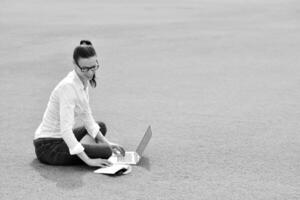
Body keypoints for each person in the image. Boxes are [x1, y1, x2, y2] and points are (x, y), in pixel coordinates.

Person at [33, 40, 125, 168]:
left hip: (61, 139)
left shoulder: (83, 82)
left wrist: (108, 143)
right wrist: (89, 161)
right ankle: (87, 150)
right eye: (85, 69)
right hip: (48, 147)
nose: (90, 73)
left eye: (93, 67)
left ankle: (87, 148)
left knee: (100, 127)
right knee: (106, 152)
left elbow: (87, 118)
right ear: (75, 65)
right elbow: (65, 131)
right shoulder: (68, 87)